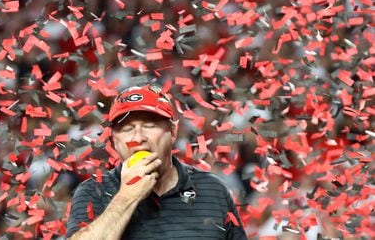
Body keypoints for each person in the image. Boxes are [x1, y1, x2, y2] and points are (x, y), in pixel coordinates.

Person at [66, 85, 247, 239]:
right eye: (127, 129)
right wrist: (127, 196)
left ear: (173, 131)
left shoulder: (212, 189)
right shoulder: (92, 191)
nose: (138, 138)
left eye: (149, 125)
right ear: (113, 139)